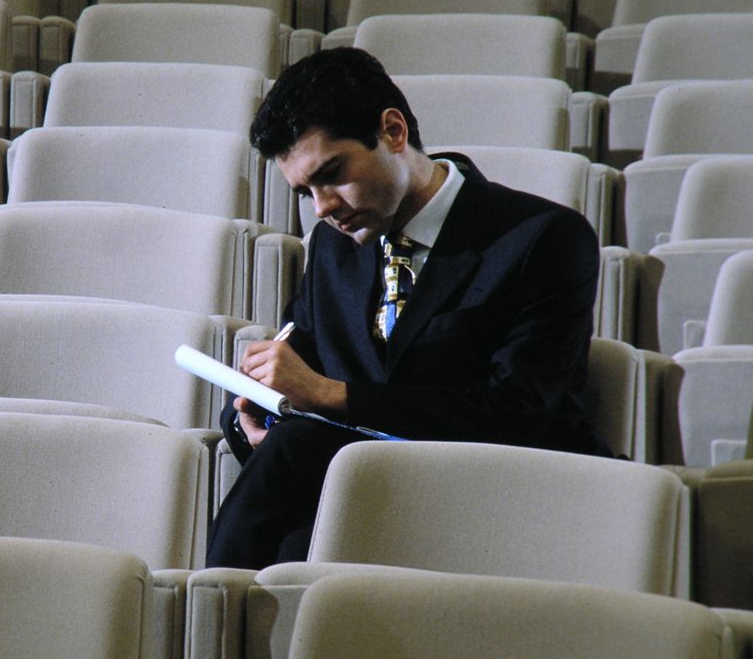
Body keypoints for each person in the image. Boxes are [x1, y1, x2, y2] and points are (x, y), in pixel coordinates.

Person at [206, 48, 612, 570]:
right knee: (292, 525)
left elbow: (517, 413)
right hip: (370, 502)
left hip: (504, 503)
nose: (323, 206)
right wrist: (256, 415)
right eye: (305, 190)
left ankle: (209, 619)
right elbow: (301, 358)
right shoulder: (334, 245)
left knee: (297, 488)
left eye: (332, 173)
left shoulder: (543, 236)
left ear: (393, 132)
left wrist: (329, 395)